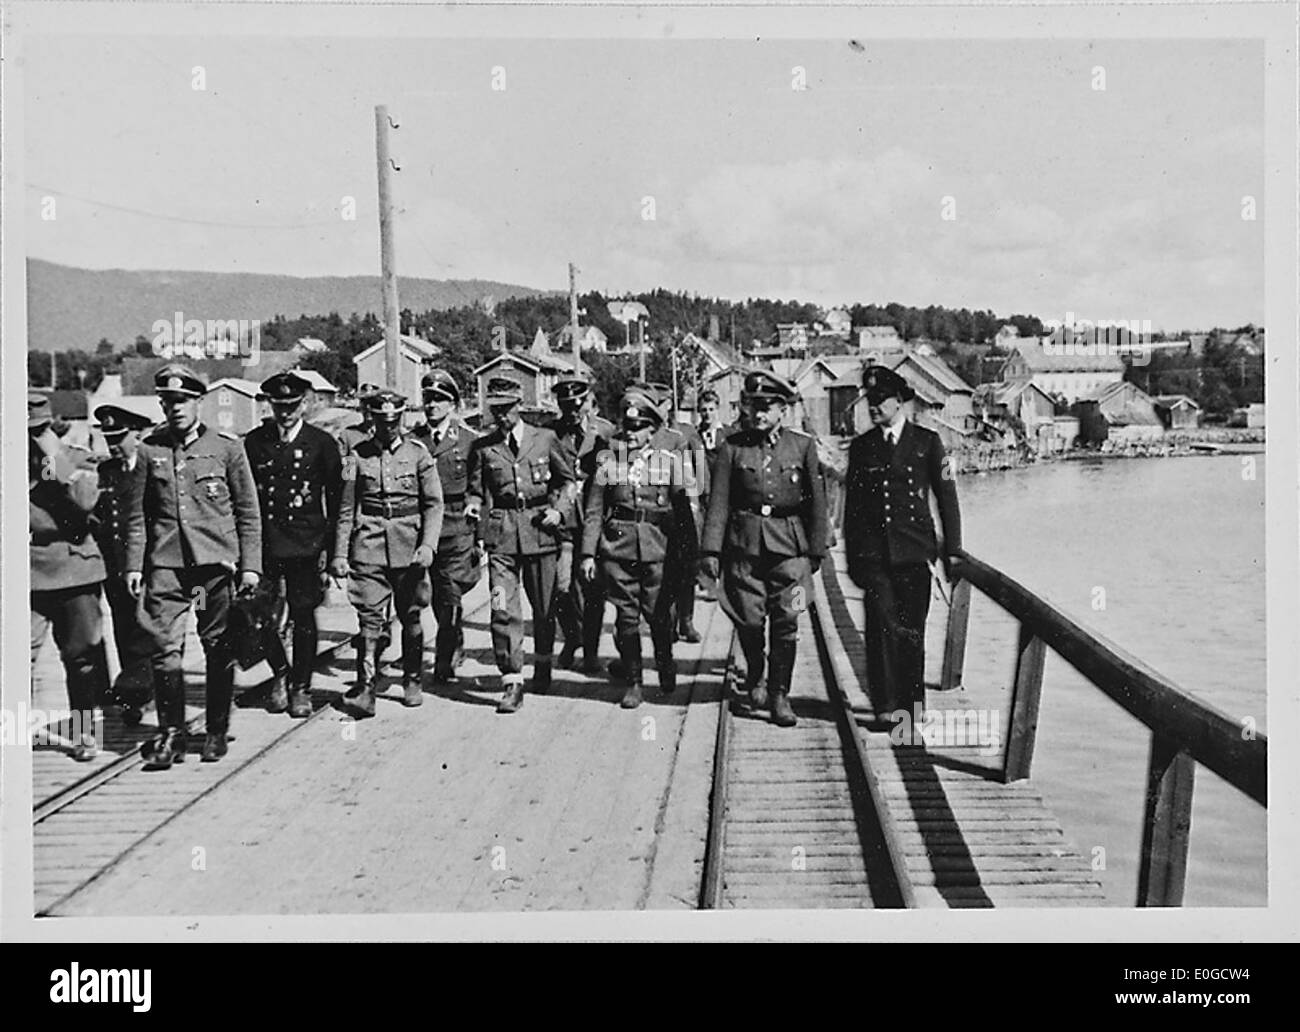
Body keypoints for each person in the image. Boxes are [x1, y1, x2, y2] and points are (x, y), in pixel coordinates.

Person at [124, 364, 263, 767]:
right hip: (166, 566)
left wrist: (250, 565)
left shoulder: (226, 448)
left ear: (197, 402)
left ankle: (216, 730)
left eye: (183, 401)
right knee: (164, 650)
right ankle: (171, 734)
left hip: (211, 568)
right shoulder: (150, 450)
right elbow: (138, 516)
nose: (176, 408)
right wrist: (135, 564)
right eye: (168, 401)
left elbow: (247, 512)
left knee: (217, 646)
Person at [701, 370, 827, 728]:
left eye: (767, 407)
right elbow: (719, 503)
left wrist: (816, 551)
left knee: (788, 620)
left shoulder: (802, 446)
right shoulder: (732, 447)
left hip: (791, 550)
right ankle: (755, 672)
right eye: (753, 406)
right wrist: (711, 551)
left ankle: (779, 693)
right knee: (749, 619)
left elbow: (817, 502)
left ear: (782, 410)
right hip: (744, 549)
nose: (759, 413)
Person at [843, 365, 963, 721]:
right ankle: (883, 705)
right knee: (880, 629)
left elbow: (948, 498)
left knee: (912, 633)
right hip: (875, 557)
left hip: (914, 554)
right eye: (870, 400)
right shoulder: (862, 448)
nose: (873, 407)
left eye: (880, 400)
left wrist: (952, 551)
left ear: (900, 402)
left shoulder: (929, 443)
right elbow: (852, 509)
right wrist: (854, 560)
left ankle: (911, 710)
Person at [330, 389, 443, 716]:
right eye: (382, 421)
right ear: (372, 419)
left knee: (410, 614)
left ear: (403, 419)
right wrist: (340, 553)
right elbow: (346, 506)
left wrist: (428, 545)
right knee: (368, 618)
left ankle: (412, 679)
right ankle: (365, 688)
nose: (388, 428)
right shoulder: (354, 457)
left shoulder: (420, 454)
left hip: (409, 545)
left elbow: (434, 504)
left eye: (394, 421)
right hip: (368, 543)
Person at [579, 385, 692, 708]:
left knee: (659, 615)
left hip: (658, 549)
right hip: (618, 549)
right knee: (626, 618)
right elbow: (594, 510)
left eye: (638, 428)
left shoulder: (669, 463)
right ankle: (634, 681)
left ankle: (665, 661)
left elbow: (683, 514)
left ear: (652, 431)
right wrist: (588, 554)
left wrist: (687, 556)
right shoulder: (608, 463)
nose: (630, 435)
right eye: (627, 428)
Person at [467, 377, 574, 713]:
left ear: (519, 405)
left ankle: (543, 660)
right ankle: (512, 680)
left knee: (544, 608)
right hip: (501, 538)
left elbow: (568, 481)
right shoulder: (483, 448)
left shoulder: (544, 439)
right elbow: (476, 489)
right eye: (494, 410)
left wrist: (558, 511)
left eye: (506, 409)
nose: (500, 416)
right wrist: (473, 506)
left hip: (540, 532)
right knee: (502, 608)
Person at [244, 372, 343, 718]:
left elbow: (336, 501)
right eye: (278, 405)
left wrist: (332, 553)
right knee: (261, 617)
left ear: (303, 404)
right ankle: (280, 673)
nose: (284, 413)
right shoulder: (255, 443)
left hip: (306, 544)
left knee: (303, 616)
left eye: (291, 405)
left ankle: (301, 686)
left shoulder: (322, 444)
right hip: (265, 546)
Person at [30, 392, 111, 761]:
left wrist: (52, 453)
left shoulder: (74, 459)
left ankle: (84, 733)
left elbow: (83, 500)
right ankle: (18, 732)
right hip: (26, 570)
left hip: (73, 570)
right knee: (17, 659)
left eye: (36, 430)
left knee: (81, 658)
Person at [409, 369, 481, 684]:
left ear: (452, 405)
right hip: (423, 526)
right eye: (428, 399)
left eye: (440, 399)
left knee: (450, 591)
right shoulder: (412, 441)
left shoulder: (468, 441)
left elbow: (480, 490)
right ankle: (454, 639)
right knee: (435, 592)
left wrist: (480, 537)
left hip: (456, 523)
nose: (433, 405)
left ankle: (444, 656)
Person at [90, 404, 156, 726]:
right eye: (108, 437)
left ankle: (144, 689)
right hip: (114, 565)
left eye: (120, 437)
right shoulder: (107, 472)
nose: (113, 444)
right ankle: (136, 690)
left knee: (149, 627)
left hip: (147, 565)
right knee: (124, 628)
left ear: (139, 434)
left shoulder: (153, 467)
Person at [545, 375, 614, 672]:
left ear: (586, 402)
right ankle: (572, 637)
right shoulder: (548, 434)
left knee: (593, 589)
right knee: (560, 588)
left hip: (594, 521)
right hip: (562, 522)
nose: (573, 412)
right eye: (566, 407)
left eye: (577, 405)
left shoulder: (606, 433)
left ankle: (591, 650)